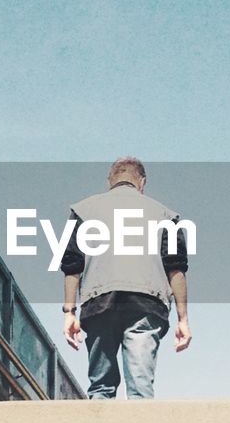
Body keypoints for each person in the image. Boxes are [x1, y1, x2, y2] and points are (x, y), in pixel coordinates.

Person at [58, 156, 191, 399]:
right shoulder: (164, 214)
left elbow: (72, 265)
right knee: (140, 387)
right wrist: (183, 319)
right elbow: (176, 269)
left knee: (101, 387)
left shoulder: (84, 210)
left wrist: (69, 312)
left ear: (110, 180)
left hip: (99, 302)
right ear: (142, 182)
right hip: (146, 303)